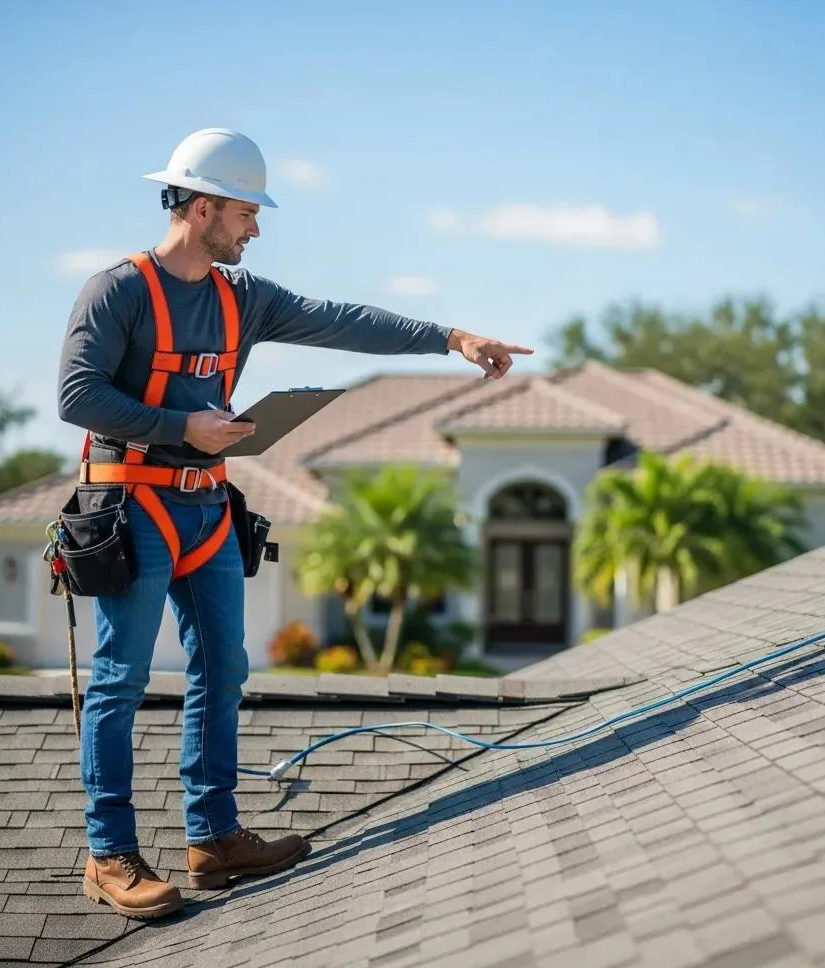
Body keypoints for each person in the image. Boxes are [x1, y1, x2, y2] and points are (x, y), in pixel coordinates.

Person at [56, 127, 533, 919]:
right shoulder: (118, 292)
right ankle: (108, 856)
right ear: (201, 207)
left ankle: (213, 838)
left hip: (208, 507)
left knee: (223, 671)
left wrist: (452, 337)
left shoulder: (245, 299)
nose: (256, 230)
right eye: (246, 213)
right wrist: (182, 429)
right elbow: (77, 397)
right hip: (133, 506)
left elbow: (343, 319)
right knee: (122, 681)